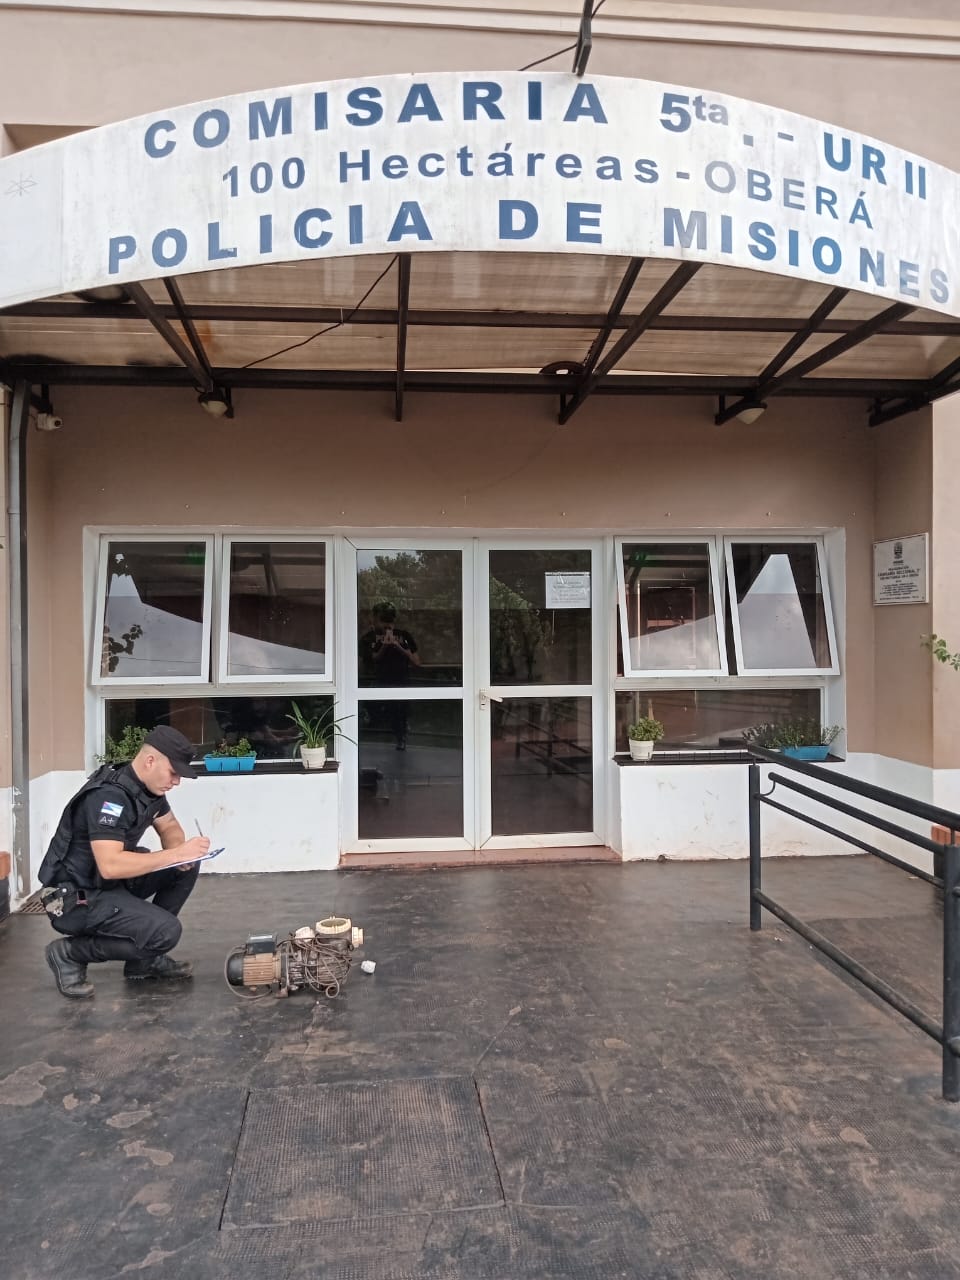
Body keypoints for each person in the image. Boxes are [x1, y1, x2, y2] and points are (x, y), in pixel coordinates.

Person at [38, 726, 209, 1000]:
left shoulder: (146, 789)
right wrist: (176, 854)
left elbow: (169, 827)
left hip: (108, 885)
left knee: (184, 867)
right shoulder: (109, 797)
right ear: (150, 761)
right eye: (173, 772)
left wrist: (181, 853)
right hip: (75, 897)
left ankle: (143, 961)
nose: (176, 781)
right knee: (166, 932)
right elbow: (111, 865)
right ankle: (69, 953)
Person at [359, 601, 420, 749]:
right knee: (373, 708)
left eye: (389, 621)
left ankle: (401, 738)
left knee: (400, 712)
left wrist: (398, 646)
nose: (386, 626)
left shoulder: (404, 636)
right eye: (382, 621)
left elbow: (417, 661)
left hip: (401, 681)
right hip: (378, 680)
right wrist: (385, 646)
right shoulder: (369, 637)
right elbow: (371, 658)